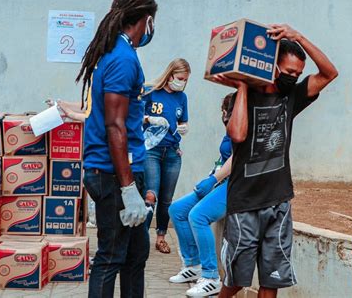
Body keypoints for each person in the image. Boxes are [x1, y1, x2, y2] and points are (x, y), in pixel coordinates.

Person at [214, 24, 338, 298]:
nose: (293, 78)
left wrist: (299, 36)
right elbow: (237, 134)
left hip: (278, 202)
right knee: (235, 280)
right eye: (289, 72)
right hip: (244, 203)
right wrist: (244, 86)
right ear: (272, 66)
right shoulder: (239, 99)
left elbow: (330, 73)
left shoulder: (291, 97)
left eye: (298, 74)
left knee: (272, 281)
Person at [76, 0, 157, 298]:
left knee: (136, 256)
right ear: (146, 20)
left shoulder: (115, 53)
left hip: (118, 171)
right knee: (110, 257)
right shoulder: (122, 58)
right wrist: (127, 188)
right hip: (113, 175)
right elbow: (115, 126)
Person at [168, 94, 233, 297]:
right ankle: (193, 264)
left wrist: (214, 180)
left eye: (227, 112)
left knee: (198, 216)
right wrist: (212, 176)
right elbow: (224, 157)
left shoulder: (243, 126)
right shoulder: (229, 128)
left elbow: (238, 158)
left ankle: (211, 276)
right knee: (177, 209)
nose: (225, 117)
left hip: (236, 184)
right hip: (220, 179)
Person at [142, 58, 191, 254]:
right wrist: (148, 118)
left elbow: (183, 121)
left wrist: (184, 128)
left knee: (166, 199)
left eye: (186, 80)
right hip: (151, 151)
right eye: (180, 78)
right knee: (150, 194)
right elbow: (133, 115)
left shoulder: (182, 98)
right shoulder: (149, 91)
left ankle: (160, 237)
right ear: (170, 75)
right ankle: (141, 238)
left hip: (172, 152)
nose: (182, 82)